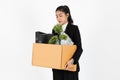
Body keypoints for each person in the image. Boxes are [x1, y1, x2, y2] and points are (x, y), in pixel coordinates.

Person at [52, 5, 83, 80]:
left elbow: (79, 48)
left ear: (67, 15)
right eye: (56, 16)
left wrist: (72, 60)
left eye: (60, 15)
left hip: (70, 67)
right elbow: (53, 48)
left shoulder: (74, 29)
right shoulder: (55, 30)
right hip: (57, 68)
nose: (58, 18)